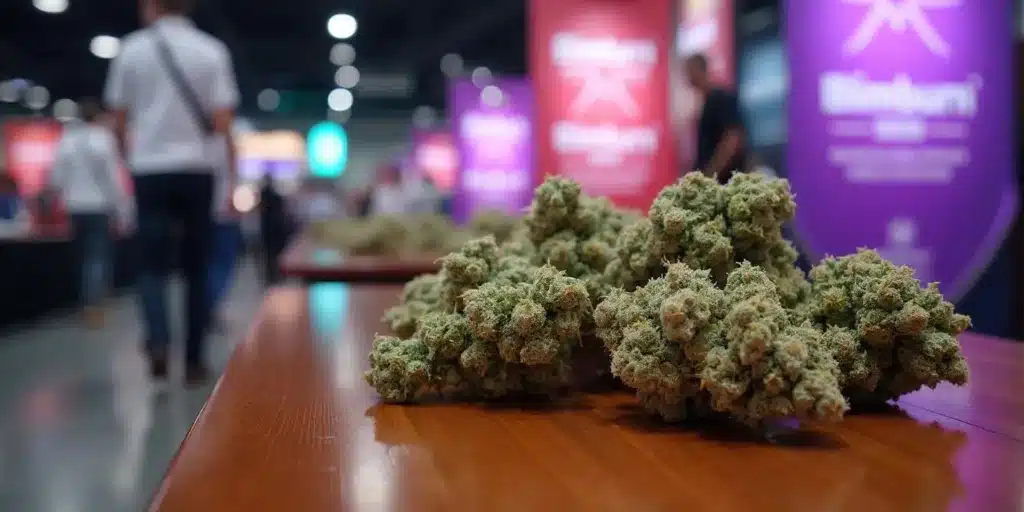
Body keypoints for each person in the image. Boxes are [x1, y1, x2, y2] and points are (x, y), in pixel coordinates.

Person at [104, 0, 239, 385]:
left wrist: (132, 156)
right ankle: (194, 359)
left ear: (151, 7)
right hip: (197, 170)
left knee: (150, 266)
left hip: (149, 170)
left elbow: (118, 120)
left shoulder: (130, 50)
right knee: (197, 268)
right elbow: (223, 122)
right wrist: (230, 180)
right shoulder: (212, 50)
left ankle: (159, 343)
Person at [48, 99, 132, 328]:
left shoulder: (66, 140)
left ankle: (85, 301)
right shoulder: (103, 139)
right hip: (99, 206)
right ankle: (94, 304)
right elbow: (113, 178)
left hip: (74, 206)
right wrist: (123, 209)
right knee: (98, 256)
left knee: (81, 256)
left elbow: (56, 177)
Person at [684, 53, 748, 184]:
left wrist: (711, 175)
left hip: (724, 183)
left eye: (689, 71)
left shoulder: (721, 98)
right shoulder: (705, 103)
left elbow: (733, 140)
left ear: (699, 69)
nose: (687, 77)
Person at [258, 173, 290, 286]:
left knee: (267, 256)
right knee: (275, 255)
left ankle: (270, 277)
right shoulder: (276, 197)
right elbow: (282, 214)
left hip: (267, 230)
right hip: (276, 231)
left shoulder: (261, 196)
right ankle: (275, 276)